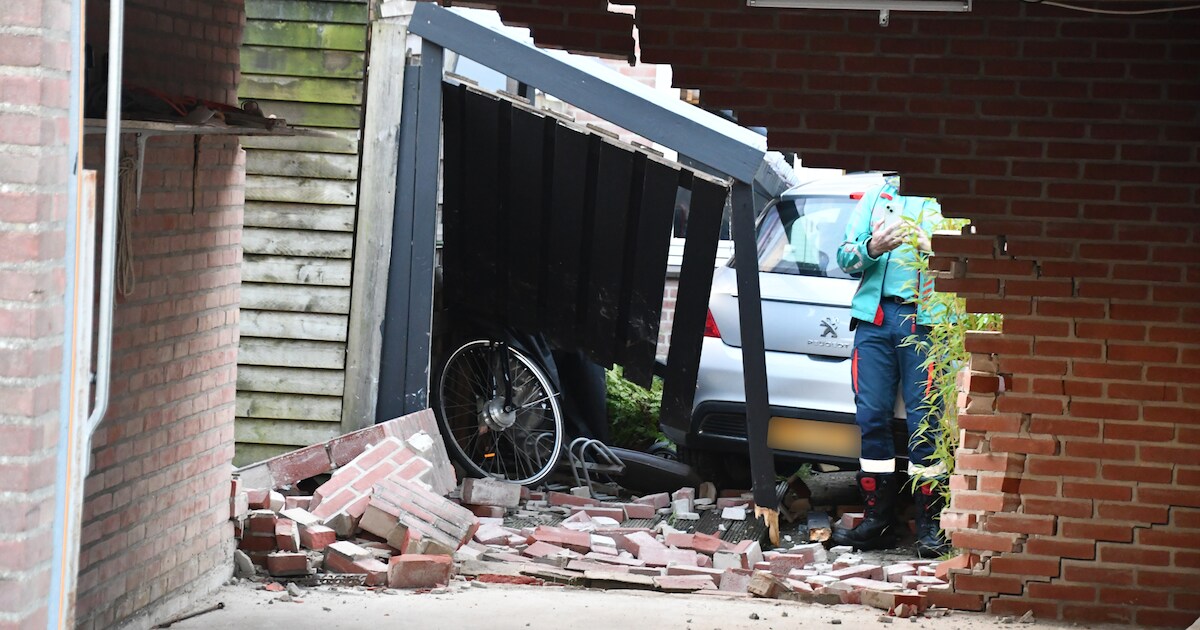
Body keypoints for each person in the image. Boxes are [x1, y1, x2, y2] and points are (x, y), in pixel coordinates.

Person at [831, 176, 949, 558]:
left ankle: (931, 528)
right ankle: (877, 522)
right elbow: (846, 257)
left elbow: (971, 261)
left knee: (926, 423)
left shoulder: (947, 196)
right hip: (876, 320)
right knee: (872, 418)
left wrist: (935, 249)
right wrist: (872, 246)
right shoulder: (877, 196)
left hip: (927, 322)